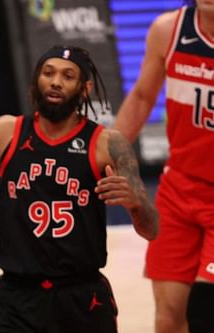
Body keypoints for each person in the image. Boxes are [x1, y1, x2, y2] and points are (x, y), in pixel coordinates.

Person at [0, 45, 158, 332]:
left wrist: (136, 204)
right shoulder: (6, 131)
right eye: (48, 73)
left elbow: (151, 229)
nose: (56, 81)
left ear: (85, 88)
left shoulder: (108, 143)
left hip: (81, 296)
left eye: (68, 76)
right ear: (35, 81)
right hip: (15, 298)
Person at [112, 1, 214, 332]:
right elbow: (142, 97)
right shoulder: (168, 29)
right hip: (179, 189)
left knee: (204, 311)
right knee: (169, 318)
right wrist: (102, 155)